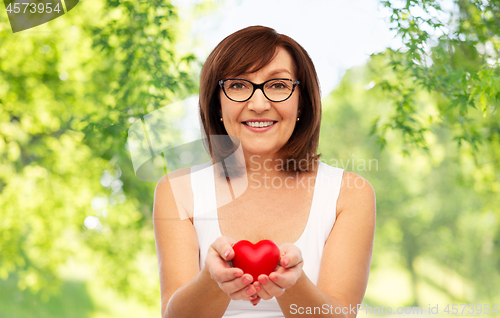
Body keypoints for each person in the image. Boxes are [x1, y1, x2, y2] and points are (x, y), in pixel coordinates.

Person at [153, 25, 376, 318]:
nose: (258, 104)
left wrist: (292, 284)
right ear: (216, 102)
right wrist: (212, 280)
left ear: (302, 102)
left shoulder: (349, 194)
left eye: (278, 85)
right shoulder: (177, 190)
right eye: (238, 85)